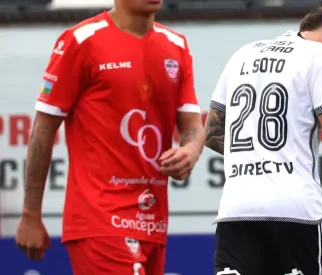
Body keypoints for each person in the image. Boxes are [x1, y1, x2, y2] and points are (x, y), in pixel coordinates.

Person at [15, 0, 205, 274]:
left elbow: (192, 127)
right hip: (99, 220)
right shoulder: (81, 40)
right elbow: (43, 131)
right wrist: (30, 214)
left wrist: (191, 150)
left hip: (153, 220)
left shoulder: (176, 44)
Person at [204, 5, 322, 275]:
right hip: (296, 210)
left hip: (236, 208)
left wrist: (258, 157)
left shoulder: (243, 53)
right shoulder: (320, 54)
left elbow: (212, 134)